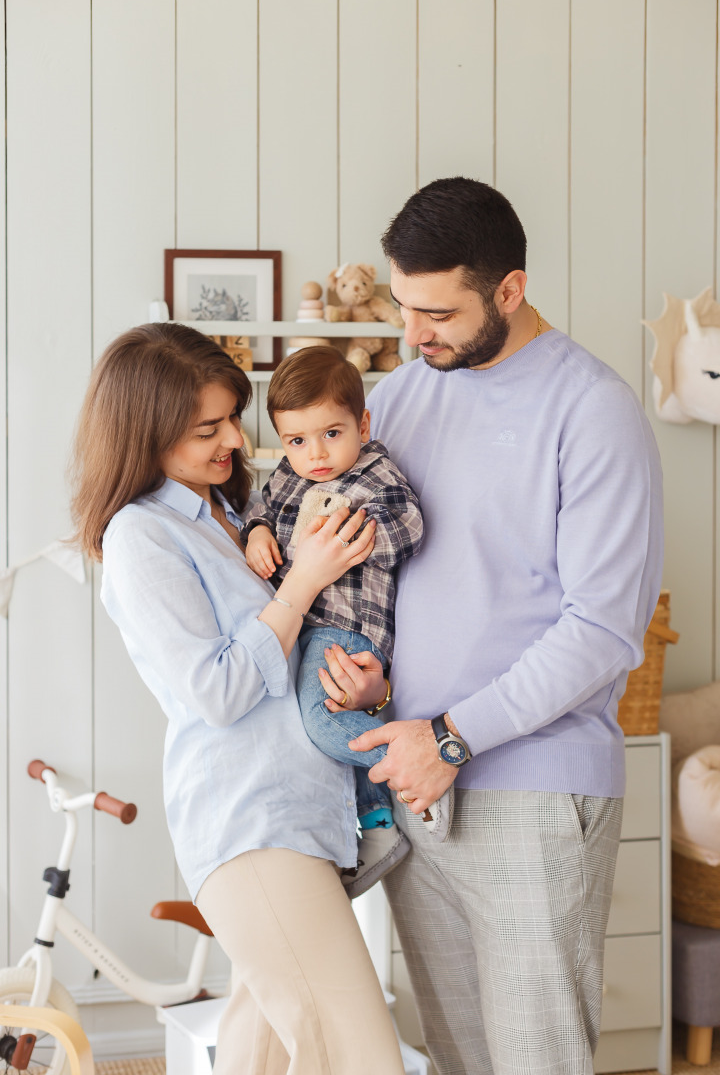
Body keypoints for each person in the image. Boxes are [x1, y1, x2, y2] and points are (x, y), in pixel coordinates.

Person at [348, 177, 664, 1075]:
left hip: (529, 785)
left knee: (537, 1059)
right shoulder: (403, 397)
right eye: (404, 306)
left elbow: (602, 630)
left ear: (511, 291)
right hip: (415, 783)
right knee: (455, 1057)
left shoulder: (592, 412)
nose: (414, 333)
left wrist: (451, 736)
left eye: (437, 311)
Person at [71, 323, 405, 1075]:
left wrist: (367, 685)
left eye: (232, 416)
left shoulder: (230, 513)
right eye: (205, 428)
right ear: (145, 434)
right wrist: (302, 579)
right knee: (359, 1055)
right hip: (253, 822)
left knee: (263, 1053)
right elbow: (217, 692)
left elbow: (304, 648)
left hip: (303, 814)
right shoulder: (141, 537)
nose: (232, 440)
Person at [241, 345, 425, 898]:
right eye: (297, 440)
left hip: (345, 627)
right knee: (308, 728)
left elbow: (411, 528)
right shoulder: (290, 476)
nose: (316, 454)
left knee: (322, 725)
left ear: (361, 424)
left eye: (331, 433)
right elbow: (259, 505)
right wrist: (257, 533)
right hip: (301, 624)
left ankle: (411, 761)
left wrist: (353, 538)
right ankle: (376, 825)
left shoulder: (375, 472)